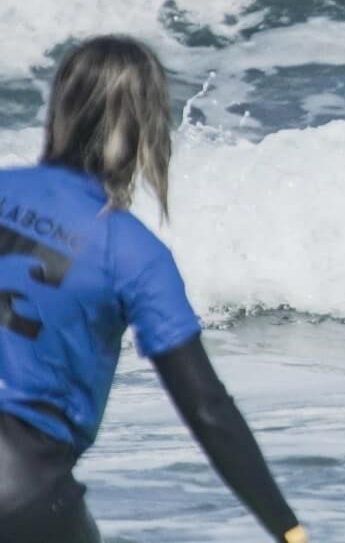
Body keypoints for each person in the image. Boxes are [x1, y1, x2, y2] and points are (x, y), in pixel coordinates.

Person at [0, 36, 307, 543]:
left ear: (59, 109)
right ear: (147, 128)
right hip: (21, 496)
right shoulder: (130, 251)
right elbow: (207, 408)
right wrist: (289, 530)